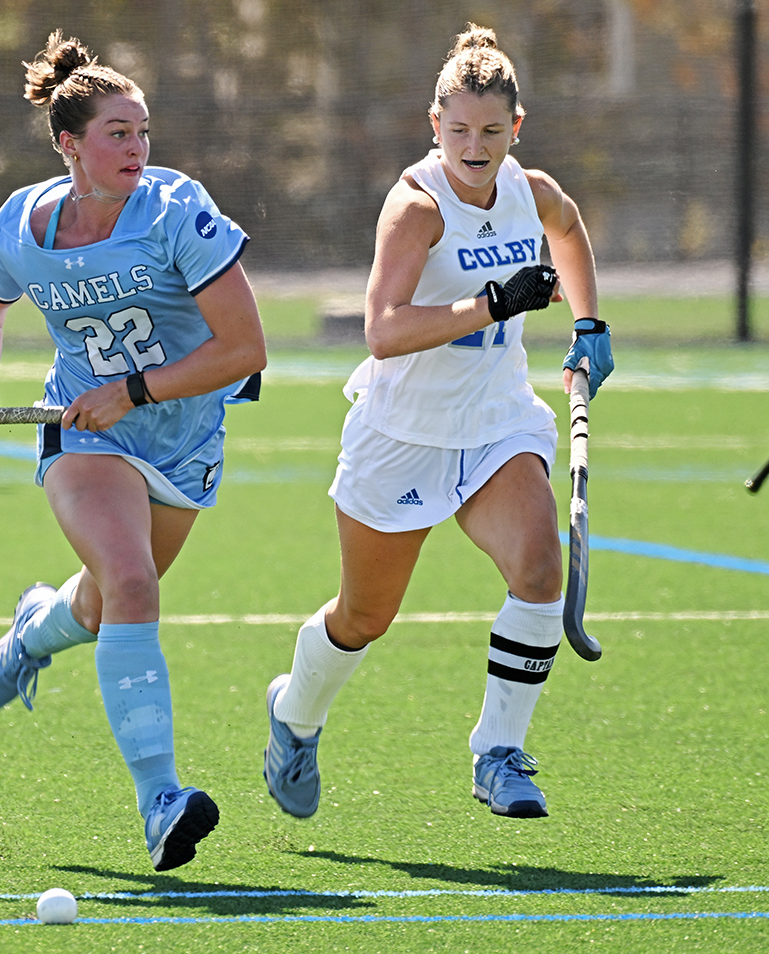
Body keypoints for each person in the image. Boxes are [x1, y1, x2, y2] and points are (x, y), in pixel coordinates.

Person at [261, 25, 613, 823]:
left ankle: (498, 753)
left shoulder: (532, 187)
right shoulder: (416, 206)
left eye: (492, 131)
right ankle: (295, 718)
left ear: (515, 129)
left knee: (538, 571)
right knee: (363, 617)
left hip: (496, 422)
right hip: (403, 436)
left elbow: (569, 224)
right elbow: (382, 329)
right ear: (435, 126)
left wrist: (591, 326)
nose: (476, 146)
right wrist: (493, 302)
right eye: (459, 130)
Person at [0, 32, 266, 871]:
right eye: (117, 133)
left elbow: (244, 349)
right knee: (131, 583)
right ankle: (161, 798)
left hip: (184, 435)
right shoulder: (23, 222)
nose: (137, 148)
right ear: (69, 145)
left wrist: (136, 389)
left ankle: (31, 636)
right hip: (85, 433)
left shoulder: (176, 211)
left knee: (102, 604)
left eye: (143, 131)